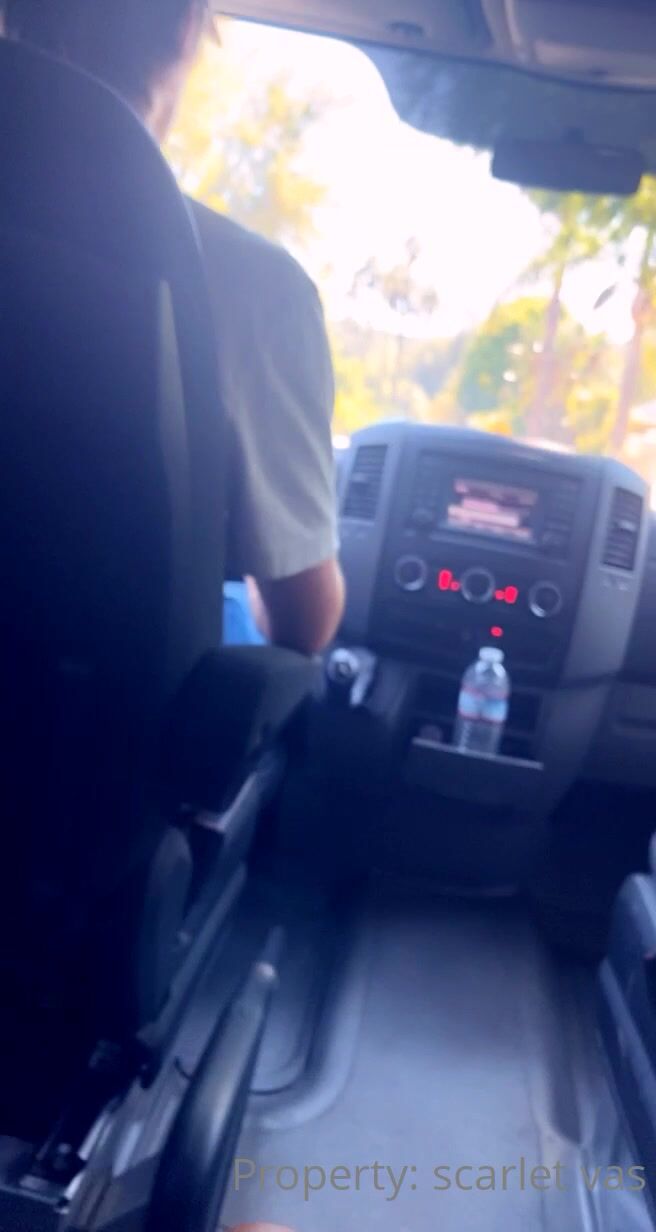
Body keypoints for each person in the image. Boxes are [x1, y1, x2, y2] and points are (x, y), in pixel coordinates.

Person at [1, 0, 345, 655]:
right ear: (186, 28)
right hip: (86, 712)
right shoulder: (255, 285)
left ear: (12, 20)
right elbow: (304, 625)